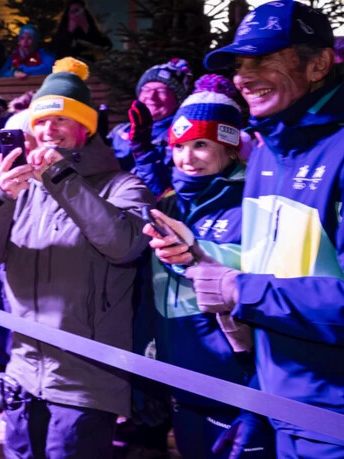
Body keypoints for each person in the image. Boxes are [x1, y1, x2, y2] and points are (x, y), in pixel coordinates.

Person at [148, 1, 344, 457]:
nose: (243, 76)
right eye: (239, 64)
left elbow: (257, 292)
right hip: (280, 408)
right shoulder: (267, 157)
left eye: (263, 59)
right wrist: (256, 406)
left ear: (317, 64)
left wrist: (238, 288)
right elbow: (276, 289)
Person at [0, 58, 155, 458]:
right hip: (22, 373)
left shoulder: (124, 185)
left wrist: (61, 178)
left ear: (86, 128)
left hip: (86, 382)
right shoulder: (23, 190)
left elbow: (123, 246)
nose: (49, 129)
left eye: (63, 120)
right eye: (42, 121)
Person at [140, 74, 274, 458]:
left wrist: (197, 252)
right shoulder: (168, 203)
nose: (187, 158)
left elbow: (259, 278)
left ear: (231, 146)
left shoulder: (251, 199)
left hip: (234, 378)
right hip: (181, 374)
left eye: (201, 144)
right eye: (180, 145)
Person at [108, 59, 193, 195]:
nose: (151, 96)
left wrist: (144, 152)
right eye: (146, 89)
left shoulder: (182, 135)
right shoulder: (120, 131)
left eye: (161, 91)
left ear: (177, 100)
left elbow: (165, 192)